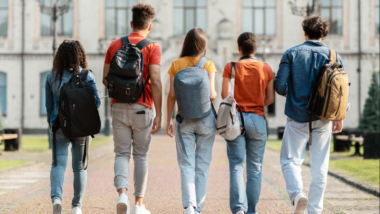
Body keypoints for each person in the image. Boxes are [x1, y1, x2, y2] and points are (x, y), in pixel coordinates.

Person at [274, 16, 347, 214]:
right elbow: (340, 91)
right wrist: (340, 116)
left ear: (305, 33)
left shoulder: (291, 53)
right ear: (323, 34)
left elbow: (279, 86)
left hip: (297, 116)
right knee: (320, 167)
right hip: (323, 118)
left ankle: (298, 195)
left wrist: (293, 93)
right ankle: (315, 210)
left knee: (290, 160)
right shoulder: (334, 56)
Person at [102, 3, 162, 214]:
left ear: (131, 23)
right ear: (150, 26)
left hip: (118, 107)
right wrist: (159, 113)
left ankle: (122, 195)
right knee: (141, 156)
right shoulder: (153, 47)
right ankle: (138, 205)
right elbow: (155, 81)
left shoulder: (114, 45)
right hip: (143, 107)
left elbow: (105, 78)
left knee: (121, 154)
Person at [221, 32, 274, 214]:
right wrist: (256, 102)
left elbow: (224, 95)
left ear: (239, 48)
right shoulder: (266, 68)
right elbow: (270, 98)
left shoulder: (231, 67)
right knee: (255, 167)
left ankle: (238, 209)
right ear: (256, 48)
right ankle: (251, 210)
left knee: (236, 165)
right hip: (258, 119)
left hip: (236, 120)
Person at [166, 28, 217, 214]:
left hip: (183, 119)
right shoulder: (208, 65)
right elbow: (212, 94)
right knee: (202, 166)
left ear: (185, 43)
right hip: (206, 119)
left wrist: (168, 120)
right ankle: (199, 209)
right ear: (204, 45)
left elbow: (171, 96)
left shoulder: (176, 64)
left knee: (186, 164)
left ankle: (189, 205)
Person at [46, 40, 101, 214]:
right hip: (82, 128)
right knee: (79, 166)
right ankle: (76, 206)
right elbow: (97, 103)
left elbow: (48, 106)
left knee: (58, 165)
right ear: (80, 55)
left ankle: (56, 199)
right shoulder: (87, 76)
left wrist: (52, 122)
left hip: (59, 127)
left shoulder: (51, 76)